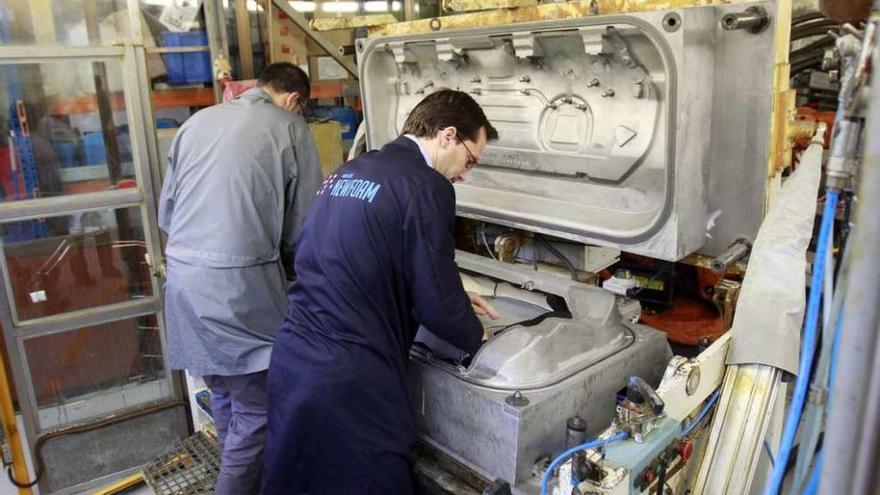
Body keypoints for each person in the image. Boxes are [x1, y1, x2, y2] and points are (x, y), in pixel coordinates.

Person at [262, 89, 500, 494]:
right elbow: (436, 305)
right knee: (377, 478)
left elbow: (341, 252)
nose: (464, 173)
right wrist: (476, 335)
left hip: (293, 359)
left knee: (298, 478)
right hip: (351, 376)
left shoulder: (348, 171)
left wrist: (454, 291)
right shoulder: (427, 186)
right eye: (470, 159)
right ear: (447, 136)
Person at [158, 62, 322, 494]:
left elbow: (167, 213)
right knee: (260, 409)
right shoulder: (290, 127)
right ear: (293, 101)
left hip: (182, 282)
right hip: (235, 288)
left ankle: (241, 477)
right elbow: (303, 230)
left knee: (227, 394)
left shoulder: (197, 122)